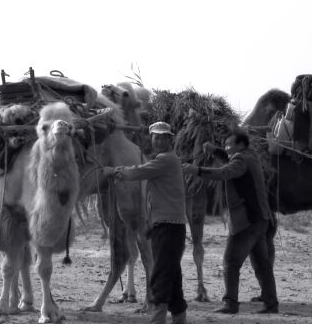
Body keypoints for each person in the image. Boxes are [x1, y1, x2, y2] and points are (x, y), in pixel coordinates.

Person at [182, 128, 278, 314]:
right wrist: (215, 150)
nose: (226, 147)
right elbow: (229, 160)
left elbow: (225, 172)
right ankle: (271, 304)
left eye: (229, 144)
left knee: (230, 262)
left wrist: (197, 170)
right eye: (225, 144)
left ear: (240, 145)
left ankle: (230, 303)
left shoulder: (241, 159)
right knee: (261, 265)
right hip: (261, 220)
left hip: (247, 221)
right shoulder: (250, 156)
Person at [103, 121, 188, 324]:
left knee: (159, 275)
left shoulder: (166, 160)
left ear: (170, 139)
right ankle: (179, 319)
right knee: (173, 276)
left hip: (169, 227)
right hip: (165, 225)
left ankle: (157, 319)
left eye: (162, 137)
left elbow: (138, 172)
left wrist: (113, 171)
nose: (158, 140)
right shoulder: (164, 159)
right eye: (155, 137)